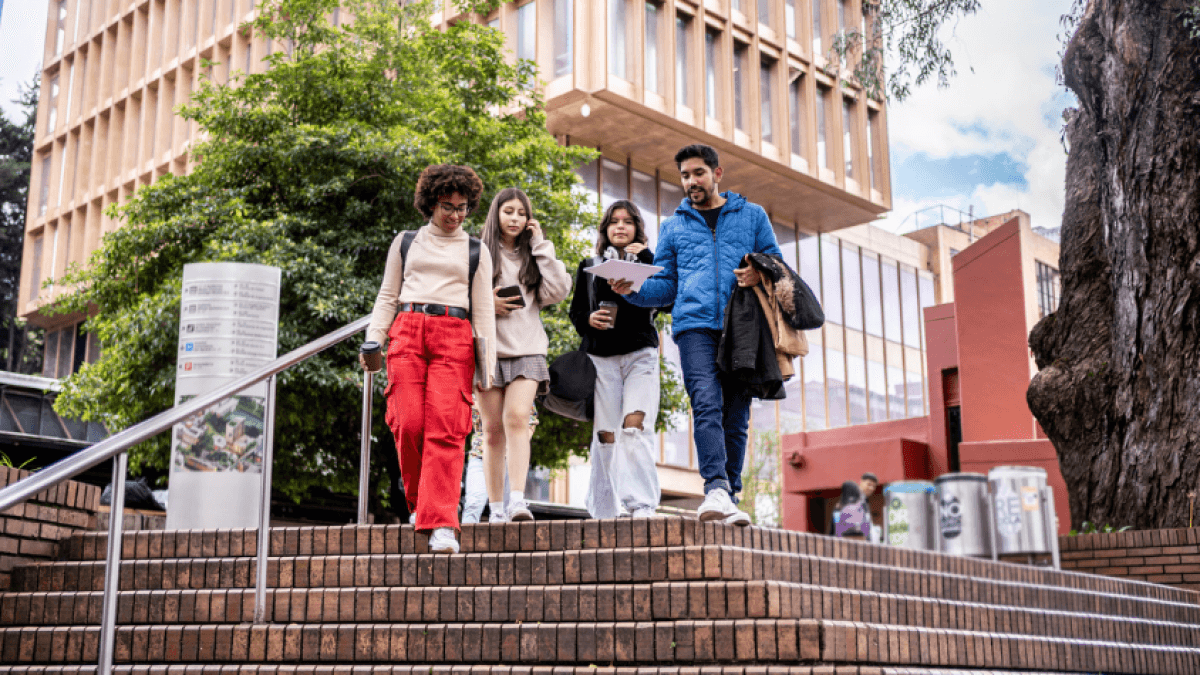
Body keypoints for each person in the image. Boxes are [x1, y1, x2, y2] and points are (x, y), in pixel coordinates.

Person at [611, 144, 782, 526]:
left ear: (717, 174)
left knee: (736, 416)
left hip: (743, 327)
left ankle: (730, 496)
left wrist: (758, 273)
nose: (691, 181)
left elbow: (776, 264)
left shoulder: (752, 216)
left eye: (698, 173)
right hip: (693, 326)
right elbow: (666, 287)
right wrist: (634, 290)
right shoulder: (673, 227)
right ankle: (716, 487)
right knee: (705, 401)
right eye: (685, 175)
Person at [361, 164, 495, 554]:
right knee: (409, 423)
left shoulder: (476, 250)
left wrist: (486, 369)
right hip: (407, 329)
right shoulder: (406, 242)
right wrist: (374, 338)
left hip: (455, 336)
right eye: (447, 206)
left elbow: (484, 312)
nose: (455, 215)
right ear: (429, 204)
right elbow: (388, 295)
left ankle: (441, 524)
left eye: (463, 207)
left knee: (446, 429)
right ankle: (424, 504)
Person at [477, 187, 572, 522]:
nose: (515, 218)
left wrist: (541, 244)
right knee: (491, 431)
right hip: (486, 351)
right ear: (496, 214)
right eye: (508, 211)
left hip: (527, 348)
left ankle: (518, 500)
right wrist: (489, 302)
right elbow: (458, 298)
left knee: (517, 418)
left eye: (521, 212)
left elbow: (559, 290)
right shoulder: (477, 251)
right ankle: (497, 507)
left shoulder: (534, 253)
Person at [569, 200, 662, 519]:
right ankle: (605, 510)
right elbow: (576, 312)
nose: (620, 226)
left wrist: (645, 255)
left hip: (640, 354)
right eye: (614, 222)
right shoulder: (588, 265)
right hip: (600, 358)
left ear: (637, 227)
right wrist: (588, 320)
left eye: (627, 221)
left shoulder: (649, 261)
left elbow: (663, 301)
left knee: (634, 426)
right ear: (606, 230)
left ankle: (642, 504)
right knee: (606, 435)